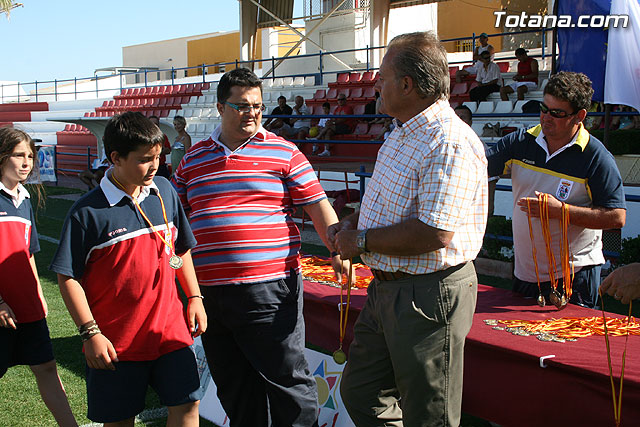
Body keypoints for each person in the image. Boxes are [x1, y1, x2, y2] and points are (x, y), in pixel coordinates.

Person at [172, 68, 347, 427]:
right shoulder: (193, 160)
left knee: (288, 382)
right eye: (241, 106)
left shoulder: (284, 151)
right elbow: (175, 218)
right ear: (220, 107)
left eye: (257, 106)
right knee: (235, 387)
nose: (251, 113)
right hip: (211, 295)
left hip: (270, 290)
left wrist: (336, 247)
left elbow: (317, 204)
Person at [330, 31, 487, 426]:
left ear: (407, 84)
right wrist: (355, 221)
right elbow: (395, 206)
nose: (376, 85)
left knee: (429, 414)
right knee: (361, 392)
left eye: (382, 77)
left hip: (428, 293)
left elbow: (436, 233)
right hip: (390, 287)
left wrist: (360, 240)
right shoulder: (403, 131)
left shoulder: (448, 141)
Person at [50, 112, 206, 426]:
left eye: (158, 157)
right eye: (145, 159)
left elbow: (180, 249)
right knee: (120, 419)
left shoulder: (164, 191)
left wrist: (195, 297)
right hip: (115, 342)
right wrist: (90, 333)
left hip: (171, 334)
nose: (155, 166)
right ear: (115, 158)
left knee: (188, 406)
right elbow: (67, 276)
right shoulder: (87, 212)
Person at [487, 72, 626, 308]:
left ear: (580, 116)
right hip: (526, 273)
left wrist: (560, 211)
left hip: (574, 275)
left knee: (566, 344)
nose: (546, 117)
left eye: (557, 113)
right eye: (544, 108)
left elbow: (617, 217)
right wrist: (486, 206)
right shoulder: (520, 141)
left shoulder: (596, 157)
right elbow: (480, 166)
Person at [0, 127, 77, 427]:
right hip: (2, 308)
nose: (26, 162)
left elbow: (28, 253)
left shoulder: (25, 198)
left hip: (26, 305)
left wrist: (39, 295)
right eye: (19, 155)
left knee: (46, 366)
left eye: (30, 155)